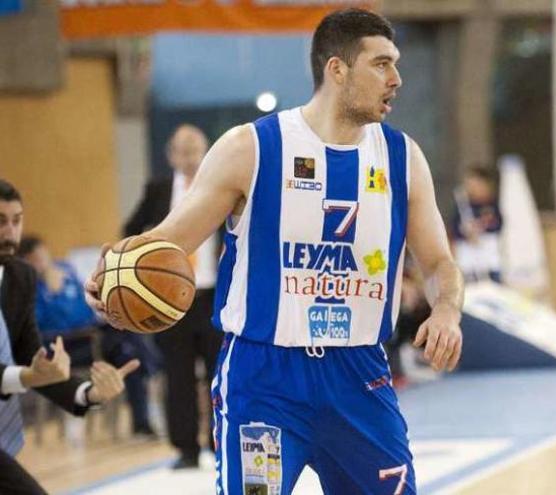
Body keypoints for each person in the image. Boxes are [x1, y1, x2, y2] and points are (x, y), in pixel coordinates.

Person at [85, 8, 463, 494]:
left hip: (359, 374)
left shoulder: (402, 157)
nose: (397, 78)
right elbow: (170, 241)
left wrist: (448, 309)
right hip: (264, 379)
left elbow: (438, 263)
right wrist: (117, 277)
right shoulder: (252, 148)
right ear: (337, 69)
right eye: (382, 64)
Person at [0, 179, 137, 495]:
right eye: (1, 222)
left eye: (16, 220)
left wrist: (90, 394)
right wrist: (28, 375)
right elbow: (29, 372)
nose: (10, 232)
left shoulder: (21, 277)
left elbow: (34, 358)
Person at [125, 124, 222, 468]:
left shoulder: (222, 186)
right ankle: (185, 449)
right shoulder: (158, 190)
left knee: (220, 375)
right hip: (170, 301)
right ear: (171, 155)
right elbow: (130, 229)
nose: (190, 157)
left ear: (207, 151)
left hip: (214, 296)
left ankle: (219, 443)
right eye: (183, 150)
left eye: (195, 149)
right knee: (177, 375)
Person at [18, 235, 157, 439]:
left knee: (128, 356)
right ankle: (155, 365)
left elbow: (86, 306)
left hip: (93, 337)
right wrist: (54, 293)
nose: (41, 262)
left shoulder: (65, 269)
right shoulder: (29, 289)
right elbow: (40, 326)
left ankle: (141, 424)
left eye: (42, 256)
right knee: (125, 342)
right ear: (26, 263)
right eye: (34, 259)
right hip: (65, 346)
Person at [451, 166, 503, 283]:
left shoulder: (492, 205)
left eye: (476, 184)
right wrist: (465, 232)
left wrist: (480, 228)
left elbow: (498, 226)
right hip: (468, 261)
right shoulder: (462, 207)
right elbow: (455, 230)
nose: (472, 188)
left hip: (489, 259)